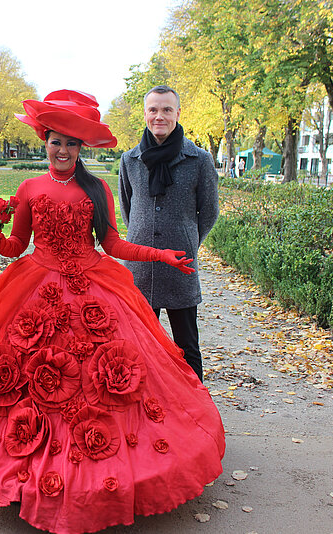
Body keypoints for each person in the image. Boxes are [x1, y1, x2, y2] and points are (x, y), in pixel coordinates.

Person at [0, 90, 225, 534]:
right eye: (56, 142)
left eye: (71, 144)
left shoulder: (97, 188)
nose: (62, 151)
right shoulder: (29, 188)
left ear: (81, 148)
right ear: (45, 142)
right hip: (36, 287)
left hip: (93, 288)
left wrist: (159, 255)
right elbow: (19, 244)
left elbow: (113, 245)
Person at [118, 85, 219, 381]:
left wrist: (187, 241)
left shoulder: (199, 160)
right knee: (138, 344)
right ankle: (143, 401)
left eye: (166, 109)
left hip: (181, 265)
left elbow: (209, 211)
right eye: (153, 109)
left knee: (187, 345)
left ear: (177, 113)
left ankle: (195, 403)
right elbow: (127, 208)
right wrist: (142, 239)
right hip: (140, 267)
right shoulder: (130, 160)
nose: (159, 116)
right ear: (145, 114)